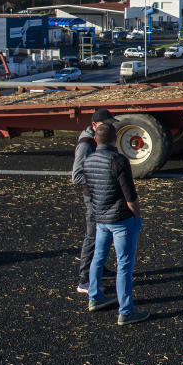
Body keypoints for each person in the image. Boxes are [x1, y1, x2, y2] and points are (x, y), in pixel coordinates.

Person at [84, 122, 149, 325]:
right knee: (124, 265)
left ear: (96, 140)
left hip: (100, 218)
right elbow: (130, 194)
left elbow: (88, 192)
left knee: (98, 257)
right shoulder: (119, 160)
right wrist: (137, 216)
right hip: (120, 218)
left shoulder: (88, 160)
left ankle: (94, 297)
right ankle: (126, 310)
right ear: (115, 139)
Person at [72, 108, 115, 293]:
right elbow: (76, 176)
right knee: (92, 235)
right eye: (108, 124)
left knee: (101, 234)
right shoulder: (86, 143)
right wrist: (100, 178)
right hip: (92, 196)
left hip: (99, 194)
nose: (111, 127)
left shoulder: (94, 139)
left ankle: (98, 268)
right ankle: (84, 279)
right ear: (96, 125)